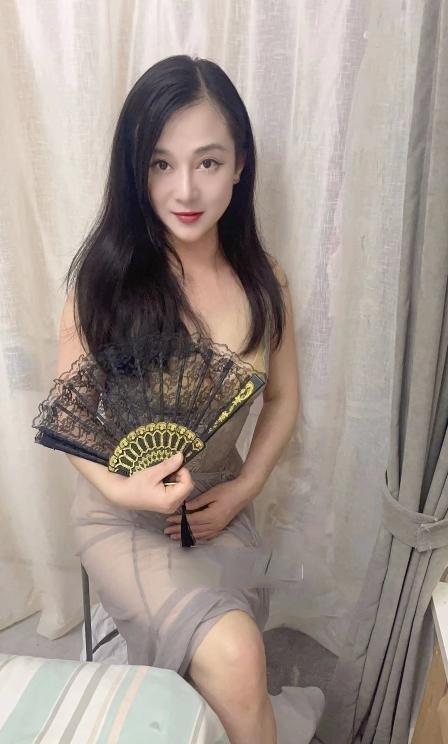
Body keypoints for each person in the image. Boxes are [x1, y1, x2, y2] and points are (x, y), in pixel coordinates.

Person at [58, 55, 300, 744]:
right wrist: (127, 490)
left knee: (233, 670)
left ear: (241, 164)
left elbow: (283, 401)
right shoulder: (103, 279)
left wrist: (244, 488)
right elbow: (69, 421)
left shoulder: (265, 281)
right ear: (135, 170)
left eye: (208, 162)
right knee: (237, 656)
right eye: (161, 164)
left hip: (219, 508)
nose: (185, 189)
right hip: (120, 513)